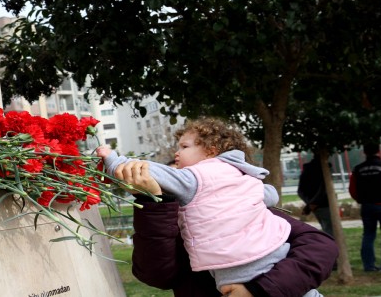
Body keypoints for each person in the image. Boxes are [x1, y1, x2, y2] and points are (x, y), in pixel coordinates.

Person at [98, 117, 334, 296]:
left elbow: (320, 247)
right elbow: (156, 274)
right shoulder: (239, 187)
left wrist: (257, 290)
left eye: (184, 148)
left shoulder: (238, 199)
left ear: (211, 152)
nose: (176, 155)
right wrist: (153, 201)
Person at [349, 142, 381, 272]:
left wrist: (361, 200)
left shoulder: (357, 169)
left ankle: (368, 266)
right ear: (379, 151)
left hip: (367, 206)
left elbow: (352, 189)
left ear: (364, 152)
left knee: (368, 235)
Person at [297, 154, 334, 236]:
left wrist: (309, 203)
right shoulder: (326, 168)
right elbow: (324, 188)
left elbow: (300, 190)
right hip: (324, 204)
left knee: (327, 229)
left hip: (314, 204)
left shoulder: (307, 168)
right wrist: (313, 203)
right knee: (330, 231)